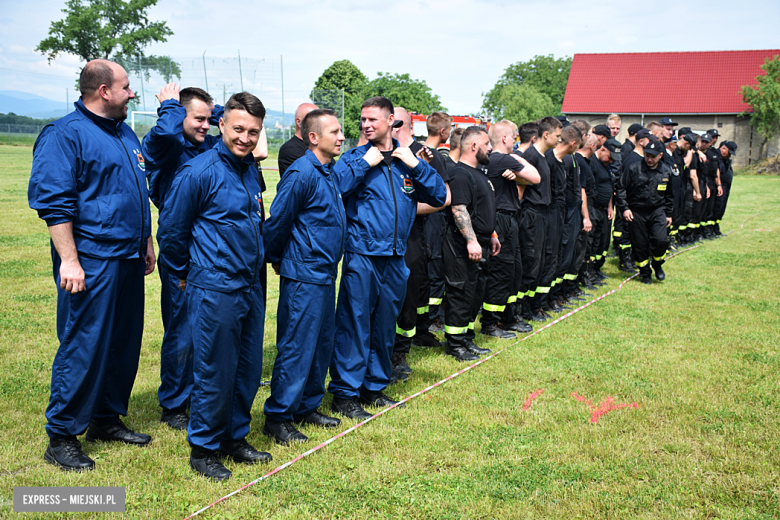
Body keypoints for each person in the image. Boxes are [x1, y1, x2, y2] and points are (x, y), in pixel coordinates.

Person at [29, 59, 155, 471]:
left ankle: (105, 419)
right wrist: (69, 260)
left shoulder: (124, 133)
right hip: (92, 260)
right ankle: (63, 435)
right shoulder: (65, 135)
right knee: (84, 343)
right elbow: (54, 202)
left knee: (122, 342)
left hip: (128, 257)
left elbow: (137, 189)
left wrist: (147, 241)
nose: (131, 93)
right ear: (103, 91)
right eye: (126, 87)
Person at [158, 92, 271, 481]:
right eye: (238, 129)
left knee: (247, 367)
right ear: (222, 125)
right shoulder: (197, 172)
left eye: (253, 132)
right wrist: (185, 274)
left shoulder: (250, 171)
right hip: (214, 286)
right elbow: (171, 232)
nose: (245, 138)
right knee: (214, 370)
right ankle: (203, 448)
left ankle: (233, 437)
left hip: (250, 286)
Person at [328, 96, 447, 419]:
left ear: (391, 120)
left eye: (373, 120)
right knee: (355, 324)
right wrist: (366, 163)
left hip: (396, 257)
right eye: (362, 120)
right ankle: (345, 393)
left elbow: (439, 195)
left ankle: (373, 387)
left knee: (383, 326)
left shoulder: (405, 160)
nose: (366, 125)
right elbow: (334, 188)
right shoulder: (354, 158)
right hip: (362, 254)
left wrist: (416, 163)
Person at [261, 109, 346, 445]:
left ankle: (307, 406)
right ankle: (278, 416)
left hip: (324, 273)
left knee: (321, 344)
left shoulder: (328, 172)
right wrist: (279, 258)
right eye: (335, 132)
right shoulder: (301, 173)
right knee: (297, 346)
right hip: (304, 274)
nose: (342, 137)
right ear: (314, 137)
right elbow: (278, 221)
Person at [141, 84, 222, 431]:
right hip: (179, 246)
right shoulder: (168, 147)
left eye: (209, 119)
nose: (206, 126)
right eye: (198, 119)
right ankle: (174, 403)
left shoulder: (207, 146)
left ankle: (196, 392)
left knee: (205, 325)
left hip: (206, 245)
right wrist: (170, 105)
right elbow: (167, 131)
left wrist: (212, 112)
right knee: (182, 328)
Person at [390, 107, 449, 381]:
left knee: (408, 299)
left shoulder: (426, 154)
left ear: (408, 125)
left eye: (396, 120)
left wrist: (403, 208)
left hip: (413, 238)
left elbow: (444, 198)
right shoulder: (380, 152)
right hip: (380, 240)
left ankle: (399, 353)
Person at [443, 126, 502, 360]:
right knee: (460, 293)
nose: (490, 148)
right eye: (487, 144)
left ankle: (466, 338)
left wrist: (493, 234)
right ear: (473, 146)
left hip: (483, 242)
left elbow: (483, 210)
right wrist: (471, 240)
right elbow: (459, 208)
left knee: (474, 293)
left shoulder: (480, 173)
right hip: (462, 245)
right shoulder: (460, 174)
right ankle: (455, 344)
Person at [481, 122, 539, 337]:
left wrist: (516, 174)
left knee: (513, 271)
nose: (516, 140)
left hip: (504, 219)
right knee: (502, 272)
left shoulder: (492, 160)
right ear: (505, 138)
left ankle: (507, 318)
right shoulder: (504, 158)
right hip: (502, 221)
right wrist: (518, 157)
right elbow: (536, 177)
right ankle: (490, 324)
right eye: (514, 136)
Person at [520, 116, 562, 322]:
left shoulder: (544, 157)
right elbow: (520, 187)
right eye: (557, 136)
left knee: (539, 262)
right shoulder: (531, 156)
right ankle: (521, 310)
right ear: (546, 135)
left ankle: (532, 307)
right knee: (530, 262)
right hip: (531, 214)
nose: (559, 140)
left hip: (543, 214)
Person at [615, 140, 673, 284]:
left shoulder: (666, 171)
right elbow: (621, 188)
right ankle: (645, 272)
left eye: (653, 156)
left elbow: (670, 194)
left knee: (661, 240)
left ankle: (657, 265)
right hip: (637, 211)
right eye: (647, 155)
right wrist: (625, 208)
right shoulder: (634, 168)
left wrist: (669, 213)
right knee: (639, 244)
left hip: (657, 210)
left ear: (660, 155)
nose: (649, 159)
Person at [550, 125, 584, 309]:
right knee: (557, 256)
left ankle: (559, 294)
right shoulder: (553, 160)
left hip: (565, 212)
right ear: (573, 143)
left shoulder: (566, 159)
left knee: (565, 255)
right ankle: (551, 297)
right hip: (555, 214)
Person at [277, 103, 318, 175]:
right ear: (299, 122)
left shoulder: (316, 146)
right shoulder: (290, 149)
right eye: (315, 119)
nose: (320, 123)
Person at [713, 140, 736, 236]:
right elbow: (716, 173)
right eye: (728, 152)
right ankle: (711, 230)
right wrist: (719, 185)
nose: (729, 155)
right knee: (716, 208)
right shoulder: (716, 157)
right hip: (718, 187)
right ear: (723, 148)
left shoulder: (726, 159)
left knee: (721, 208)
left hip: (726, 187)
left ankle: (716, 228)